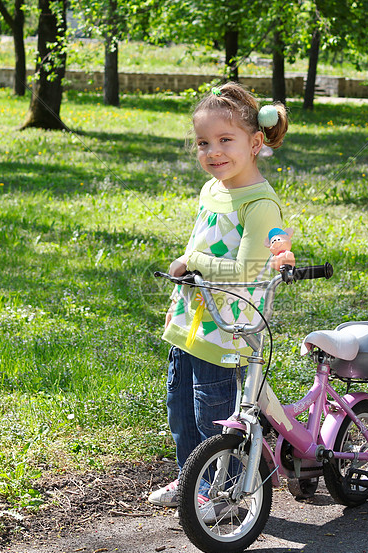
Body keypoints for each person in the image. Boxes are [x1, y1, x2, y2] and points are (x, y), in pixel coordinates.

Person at [148, 83, 290, 508]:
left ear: (255, 142)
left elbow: (248, 270)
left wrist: (192, 261)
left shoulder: (260, 203)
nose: (213, 152)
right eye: (203, 143)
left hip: (229, 328)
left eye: (225, 140)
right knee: (182, 413)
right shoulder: (213, 190)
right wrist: (193, 263)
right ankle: (190, 480)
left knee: (215, 415)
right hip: (192, 318)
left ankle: (221, 488)